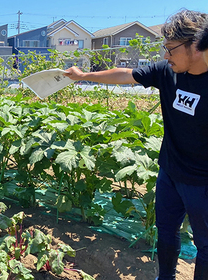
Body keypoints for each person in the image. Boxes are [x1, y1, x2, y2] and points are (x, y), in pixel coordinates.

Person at [63, 9, 208, 280]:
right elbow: (126, 74)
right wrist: (84, 76)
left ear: (198, 46)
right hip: (170, 173)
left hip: (202, 182)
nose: (166, 55)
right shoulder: (168, 72)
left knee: (206, 246)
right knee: (165, 232)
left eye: (171, 49)